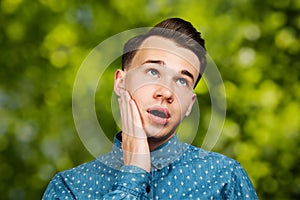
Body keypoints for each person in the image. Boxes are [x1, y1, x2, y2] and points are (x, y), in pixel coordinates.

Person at [43, 18, 258, 199]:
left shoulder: (225, 178)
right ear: (120, 82)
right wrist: (133, 173)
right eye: (153, 72)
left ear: (190, 104)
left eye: (182, 81)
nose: (166, 92)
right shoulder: (70, 188)